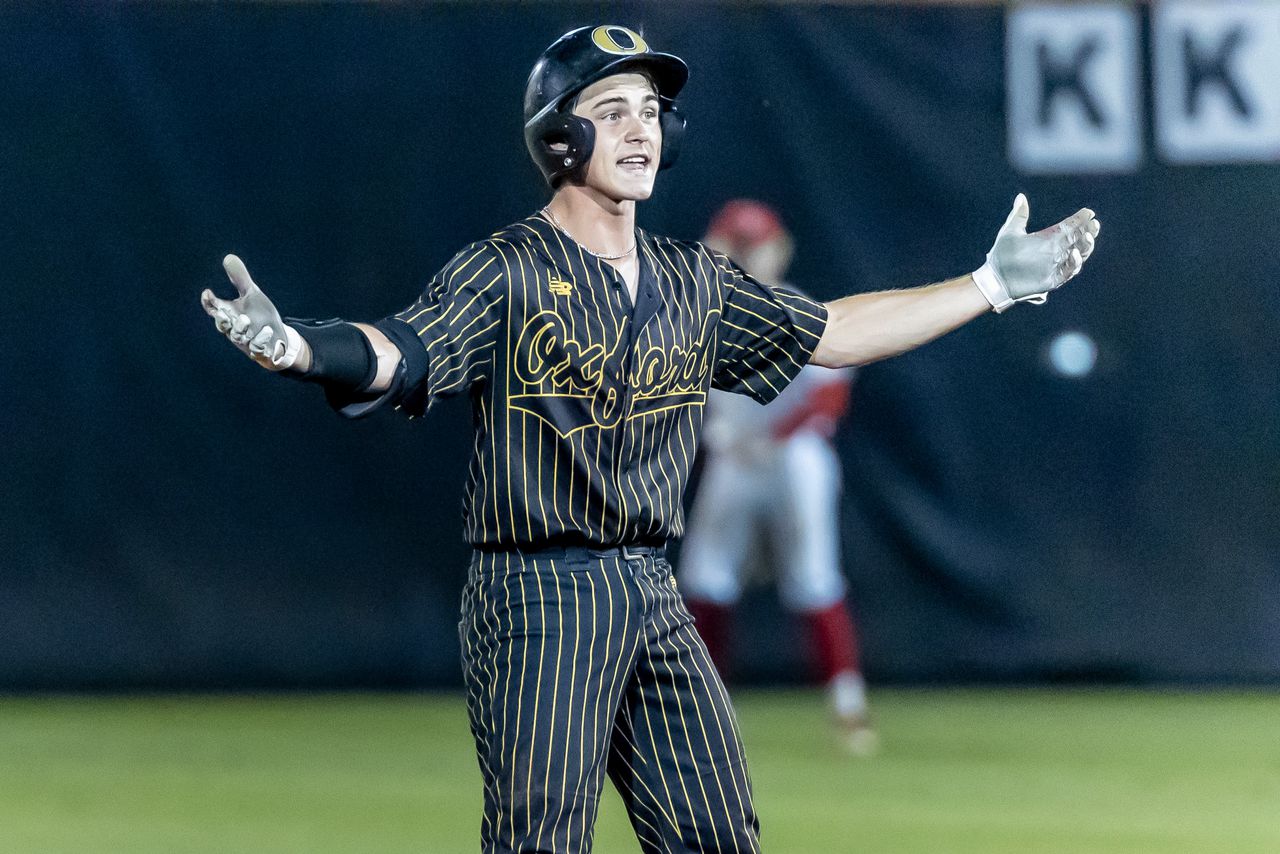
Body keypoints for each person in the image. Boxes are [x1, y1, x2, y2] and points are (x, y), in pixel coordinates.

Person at [200, 23, 1100, 854]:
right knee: (541, 841)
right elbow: (404, 350)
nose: (641, 130)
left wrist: (989, 285)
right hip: (539, 593)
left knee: (717, 836)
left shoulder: (692, 278)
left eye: (652, 112)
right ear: (561, 138)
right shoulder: (507, 269)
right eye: (612, 110)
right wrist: (299, 346)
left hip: (650, 590)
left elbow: (830, 330)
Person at [679, 199, 875, 756]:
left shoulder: (798, 309)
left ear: (778, 248)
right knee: (704, 578)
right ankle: (701, 708)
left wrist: (775, 439)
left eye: (753, 243)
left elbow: (831, 395)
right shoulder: (695, 314)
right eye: (732, 243)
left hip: (795, 458)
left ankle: (848, 706)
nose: (742, 254)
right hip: (733, 458)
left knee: (814, 577)